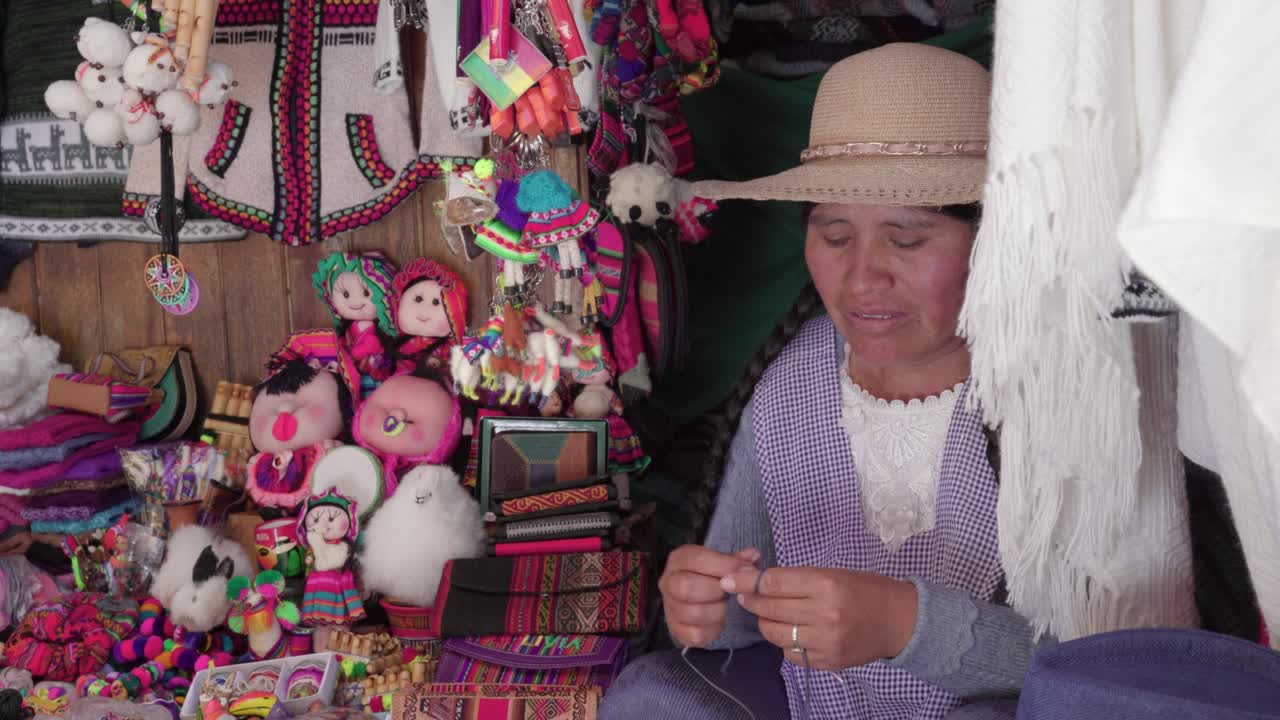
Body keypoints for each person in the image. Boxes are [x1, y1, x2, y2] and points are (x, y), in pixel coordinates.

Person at [601, 43, 1043, 720]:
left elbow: (1124, 662)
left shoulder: (1061, 392)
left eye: (909, 238)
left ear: (994, 239)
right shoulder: (787, 384)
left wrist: (907, 626)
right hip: (813, 705)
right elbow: (743, 616)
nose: (864, 278)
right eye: (834, 235)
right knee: (652, 698)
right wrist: (709, 602)